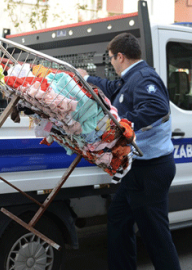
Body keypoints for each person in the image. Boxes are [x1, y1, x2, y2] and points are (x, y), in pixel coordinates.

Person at [77, 33, 181, 270]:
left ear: (120, 56)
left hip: (151, 170)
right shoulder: (130, 79)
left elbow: (157, 106)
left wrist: (122, 125)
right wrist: (88, 78)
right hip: (136, 168)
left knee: (155, 234)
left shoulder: (144, 78)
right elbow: (113, 87)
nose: (111, 62)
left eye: (111, 58)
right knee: (118, 219)